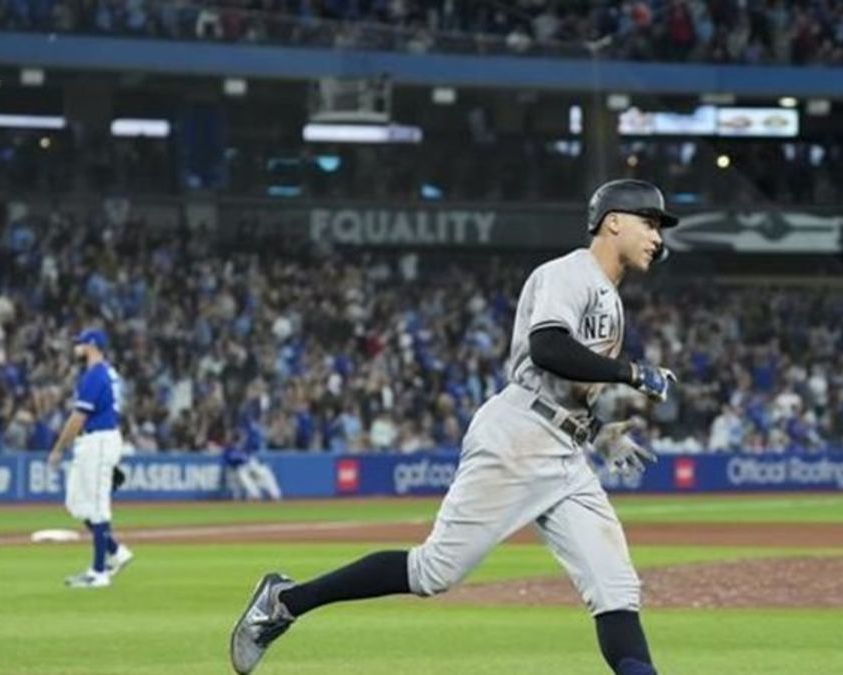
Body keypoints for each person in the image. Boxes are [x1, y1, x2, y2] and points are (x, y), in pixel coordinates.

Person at [229, 179, 681, 675]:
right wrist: (631, 372)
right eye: (650, 222)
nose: (657, 237)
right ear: (613, 220)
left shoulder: (610, 299)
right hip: (520, 437)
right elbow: (548, 347)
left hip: (564, 450)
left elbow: (565, 380)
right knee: (433, 571)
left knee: (616, 588)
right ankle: (285, 600)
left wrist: (596, 431)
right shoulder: (570, 272)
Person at [47, 329, 134, 589]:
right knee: (76, 502)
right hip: (95, 440)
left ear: (92, 345)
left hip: (98, 440)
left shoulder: (96, 375)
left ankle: (99, 573)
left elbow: (78, 417)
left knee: (97, 506)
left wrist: (59, 448)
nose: (77, 347)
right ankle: (116, 552)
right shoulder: (106, 373)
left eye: (81, 343)